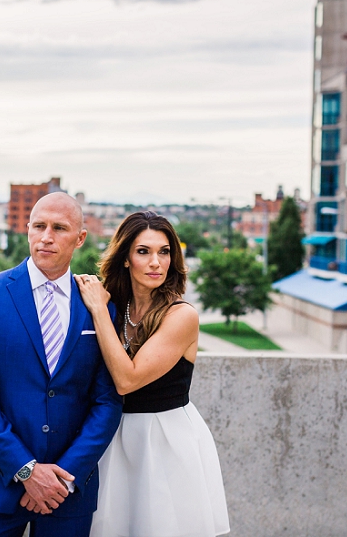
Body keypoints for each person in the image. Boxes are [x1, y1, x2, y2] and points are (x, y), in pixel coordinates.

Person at [0, 192, 122, 537]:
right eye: (39, 226)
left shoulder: (101, 306)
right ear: (27, 230)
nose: (46, 237)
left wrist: (63, 476)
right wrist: (28, 471)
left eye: (59, 228)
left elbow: (108, 401)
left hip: (68, 494)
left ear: (80, 238)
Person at [75, 211, 230, 537]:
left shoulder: (181, 315)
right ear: (127, 258)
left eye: (164, 251)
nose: (156, 262)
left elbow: (127, 379)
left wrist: (99, 310)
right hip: (113, 438)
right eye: (143, 251)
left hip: (164, 441)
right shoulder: (114, 307)